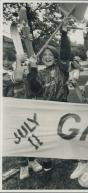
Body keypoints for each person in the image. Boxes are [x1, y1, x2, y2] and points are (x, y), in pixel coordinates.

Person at [26, 19, 71, 172]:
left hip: (62, 106)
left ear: (55, 56)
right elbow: (35, 89)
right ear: (41, 58)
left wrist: (64, 33)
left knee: (65, 134)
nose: (47, 56)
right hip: (46, 108)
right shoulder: (39, 72)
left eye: (50, 53)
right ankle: (46, 160)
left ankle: (75, 156)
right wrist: (32, 70)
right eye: (44, 54)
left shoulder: (62, 67)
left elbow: (65, 52)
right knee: (45, 135)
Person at [3, 50, 43, 180]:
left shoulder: (16, 68)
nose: (6, 62)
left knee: (30, 133)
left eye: (9, 59)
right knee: (19, 136)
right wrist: (19, 60)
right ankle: (23, 165)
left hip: (25, 107)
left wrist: (32, 65)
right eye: (3, 59)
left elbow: (31, 83)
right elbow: (18, 77)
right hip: (12, 111)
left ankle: (32, 160)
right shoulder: (3, 73)